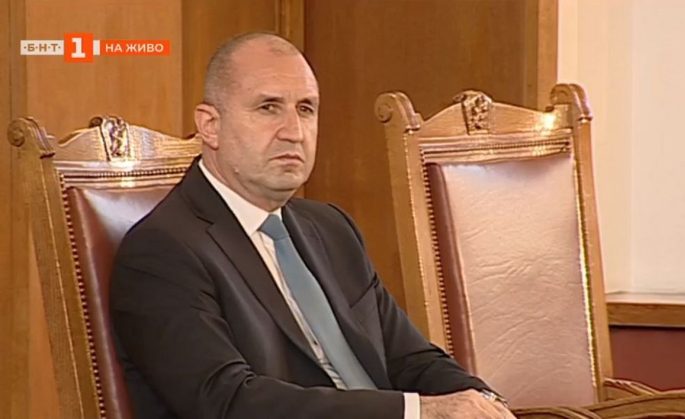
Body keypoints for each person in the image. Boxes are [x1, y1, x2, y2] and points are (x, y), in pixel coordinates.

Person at [110, 32, 516, 419]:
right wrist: (417, 412)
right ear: (210, 125)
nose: (294, 132)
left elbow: (409, 358)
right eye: (268, 107)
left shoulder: (331, 228)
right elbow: (230, 403)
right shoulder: (162, 251)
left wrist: (484, 403)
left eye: (306, 109)